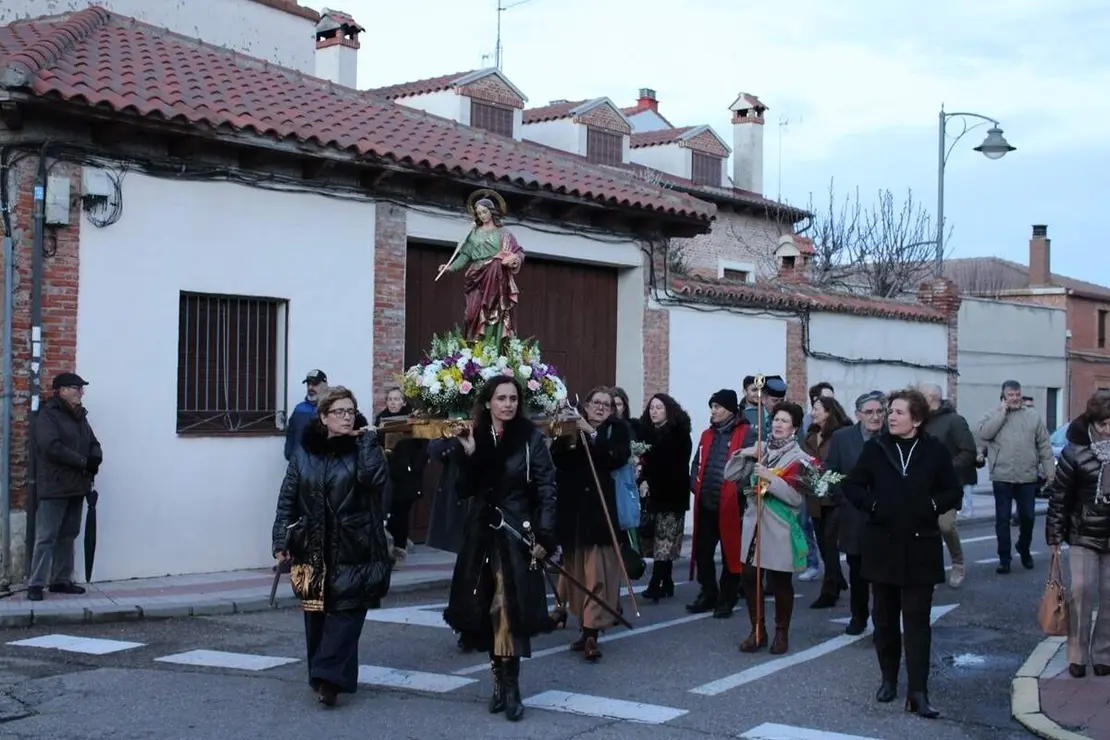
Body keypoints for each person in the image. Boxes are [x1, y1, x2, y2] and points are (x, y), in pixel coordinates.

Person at [841, 388, 962, 719]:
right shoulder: (876, 448)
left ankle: (918, 692)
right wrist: (873, 506)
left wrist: (933, 504)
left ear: (917, 419)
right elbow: (852, 486)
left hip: (921, 546)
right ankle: (889, 679)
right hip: (882, 546)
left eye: (897, 412)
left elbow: (953, 490)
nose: (889, 417)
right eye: (889, 411)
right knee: (884, 619)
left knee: (918, 622)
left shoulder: (934, 451)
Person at [442, 376, 557, 722]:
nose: (508, 404)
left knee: (508, 608)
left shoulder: (531, 438)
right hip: (481, 534)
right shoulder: (475, 435)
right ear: (488, 402)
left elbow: (546, 488)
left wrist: (545, 536)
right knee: (485, 609)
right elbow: (464, 489)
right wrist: (469, 453)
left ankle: (512, 687)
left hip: (517, 533)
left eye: (513, 398)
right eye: (501, 398)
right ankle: (497, 679)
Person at [272, 386, 392, 707]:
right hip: (313, 547)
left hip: (356, 547)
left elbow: (374, 480)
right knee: (317, 617)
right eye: (339, 412)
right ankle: (322, 676)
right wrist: (280, 540)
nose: (346, 417)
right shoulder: (304, 453)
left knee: (346, 615)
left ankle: (329, 678)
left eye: (350, 411)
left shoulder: (363, 447)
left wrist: (369, 441)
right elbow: (287, 498)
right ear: (323, 417)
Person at [726, 401, 814, 655]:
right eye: (776, 420)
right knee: (749, 576)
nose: (778, 424)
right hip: (754, 523)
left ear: (794, 428)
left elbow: (796, 499)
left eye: (785, 421)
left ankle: (781, 632)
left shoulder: (800, 459)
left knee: (780, 581)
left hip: (780, 525)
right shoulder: (761, 449)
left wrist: (770, 478)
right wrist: (743, 453)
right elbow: (730, 475)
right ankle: (757, 631)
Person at [549, 387, 630, 661]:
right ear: (585, 405)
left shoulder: (616, 430)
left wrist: (592, 434)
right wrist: (563, 433)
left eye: (606, 404)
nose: (600, 407)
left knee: (597, 574)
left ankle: (592, 632)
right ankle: (581, 624)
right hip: (573, 511)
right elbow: (558, 459)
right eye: (596, 402)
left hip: (599, 512)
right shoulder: (572, 427)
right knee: (576, 573)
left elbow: (615, 458)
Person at [1045, 390, 1110, 678]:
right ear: (1093, 422)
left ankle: (1103, 653)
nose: (1108, 429)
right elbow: (1060, 495)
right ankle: (1077, 654)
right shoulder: (1075, 451)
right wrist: (1055, 535)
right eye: (1104, 424)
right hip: (1083, 532)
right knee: (1081, 591)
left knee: (1109, 595)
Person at [28, 372, 102, 601]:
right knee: (46, 536)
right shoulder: (48, 416)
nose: (81, 392)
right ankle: (35, 584)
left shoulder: (80, 416)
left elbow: (93, 442)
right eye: (77, 388)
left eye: (81, 389)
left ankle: (60, 580)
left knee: (69, 534)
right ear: (62, 391)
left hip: (77, 486)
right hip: (55, 486)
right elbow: (51, 447)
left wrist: (95, 457)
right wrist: (83, 462)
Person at [977, 379, 1054, 573]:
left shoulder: (1032, 416)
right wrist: (1002, 413)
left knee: (1028, 517)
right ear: (1003, 397)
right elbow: (984, 434)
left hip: (1027, 475)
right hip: (1001, 475)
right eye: (1010, 395)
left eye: (1017, 394)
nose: (1015, 398)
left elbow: (1044, 445)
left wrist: (1050, 472)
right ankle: (1004, 558)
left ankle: (1024, 547)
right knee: (1002, 519)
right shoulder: (993, 414)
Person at [438, 195, 525, 348]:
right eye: (479, 213)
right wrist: (450, 268)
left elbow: (518, 252)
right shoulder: (473, 233)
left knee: (495, 313)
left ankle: (493, 349)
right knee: (472, 314)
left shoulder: (504, 233)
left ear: (492, 211)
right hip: (476, 275)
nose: (482, 216)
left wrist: (514, 259)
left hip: (496, 276)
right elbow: (465, 255)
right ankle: (473, 348)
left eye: (485, 212)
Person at [638, 393, 693, 603]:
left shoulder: (679, 435)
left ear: (668, 411)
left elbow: (676, 467)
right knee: (657, 540)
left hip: (672, 494)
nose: (654, 412)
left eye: (659, 408)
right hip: (652, 495)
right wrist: (643, 479)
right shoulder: (646, 433)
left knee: (665, 540)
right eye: (652, 407)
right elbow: (643, 462)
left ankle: (655, 584)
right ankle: (667, 581)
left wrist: (652, 482)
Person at [285, 370, 328, 461]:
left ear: (325, 385)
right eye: (308, 384)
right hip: (299, 462)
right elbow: (291, 432)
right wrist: (289, 453)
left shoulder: (332, 408)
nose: (310, 387)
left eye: (315, 384)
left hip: (323, 463)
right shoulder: (299, 408)